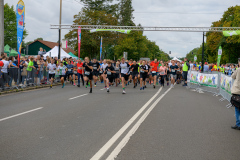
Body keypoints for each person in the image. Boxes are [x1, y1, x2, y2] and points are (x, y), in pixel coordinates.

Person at [231, 58, 240, 130]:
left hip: (238, 91)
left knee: (237, 108)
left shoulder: (238, 70)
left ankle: (238, 124)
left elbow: (232, 76)